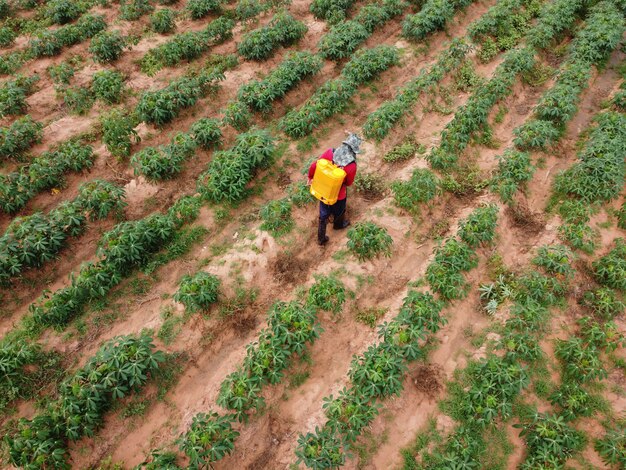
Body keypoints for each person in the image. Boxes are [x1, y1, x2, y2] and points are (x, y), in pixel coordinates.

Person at [308, 133, 361, 246]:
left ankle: (321, 238)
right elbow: (349, 183)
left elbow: (315, 166)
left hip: (323, 190)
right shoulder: (351, 166)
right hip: (338, 194)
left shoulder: (330, 152)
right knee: (340, 210)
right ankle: (338, 225)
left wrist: (310, 177)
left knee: (323, 214)